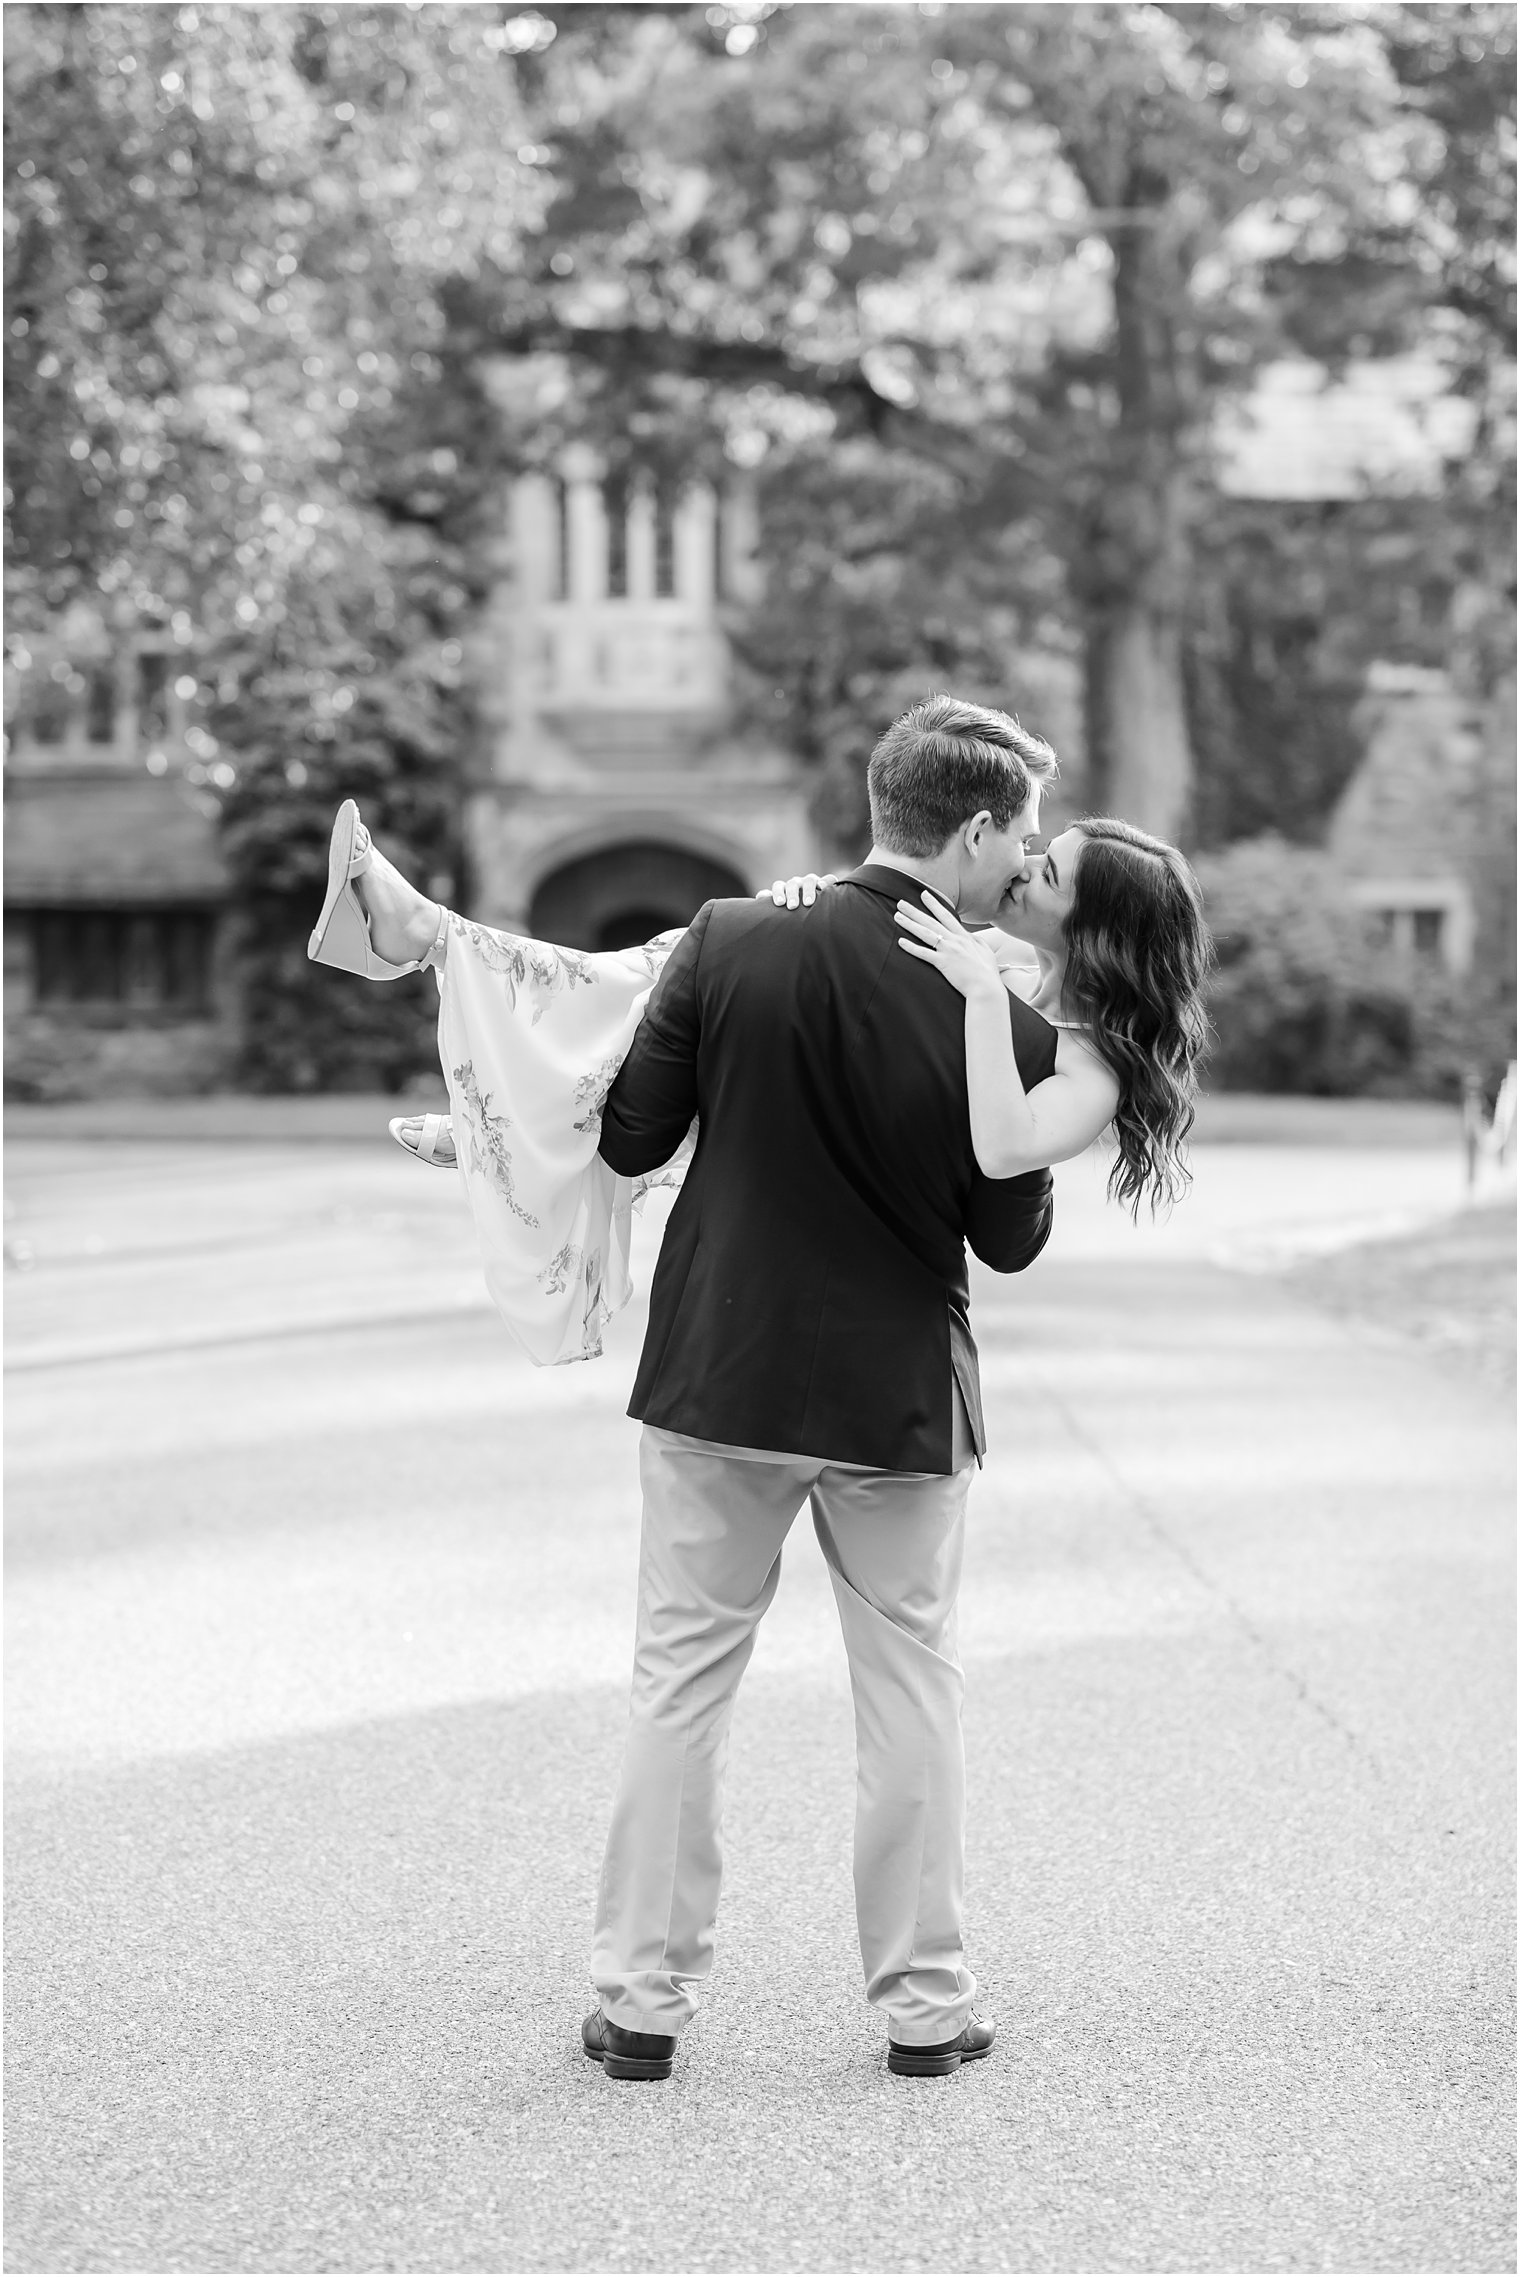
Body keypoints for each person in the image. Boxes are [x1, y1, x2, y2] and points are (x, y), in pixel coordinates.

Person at [306, 692, 1208, 2077]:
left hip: (722, 1375)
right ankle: (923, 2006)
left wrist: (520, 1143)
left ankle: (643, 2006)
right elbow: (1006, 1230)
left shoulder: (734, 934)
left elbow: (632, 1135)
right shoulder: (1013, 1017)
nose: (1028, 856)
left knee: (680, 1683)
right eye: (1021, 833)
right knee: (909, 1687)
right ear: (971, 826)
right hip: (897, 1398)